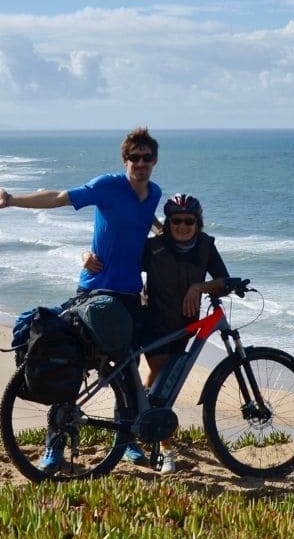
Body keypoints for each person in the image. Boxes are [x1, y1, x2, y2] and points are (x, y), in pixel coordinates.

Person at [0, 127, 162, 467]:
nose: (140, 163)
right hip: (94, 290)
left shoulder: (154, 193)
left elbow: (143, 220)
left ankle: (128, 439)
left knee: (127, 368)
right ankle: (54, 444)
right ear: (125, 161)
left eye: (146, 158)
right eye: (134, 158)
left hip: (129, 295)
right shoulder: (108, 186)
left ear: (155, 161)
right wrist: (13, 200)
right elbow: (60, 196)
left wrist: (172, 231)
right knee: (73, 363)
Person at [83, 192, 229, 475]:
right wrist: (87, 256)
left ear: (198, 223)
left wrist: (199, 288)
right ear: (168, 222)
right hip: (152, 323)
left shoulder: (206, 247)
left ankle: (139, 426)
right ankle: (164, 448)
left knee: (161, 385)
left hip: (184, 325)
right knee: (161, 381)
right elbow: (118, 261)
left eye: (189, 221)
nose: (183, 226)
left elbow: (222, 280)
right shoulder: (154, 247)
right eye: (176, 221)